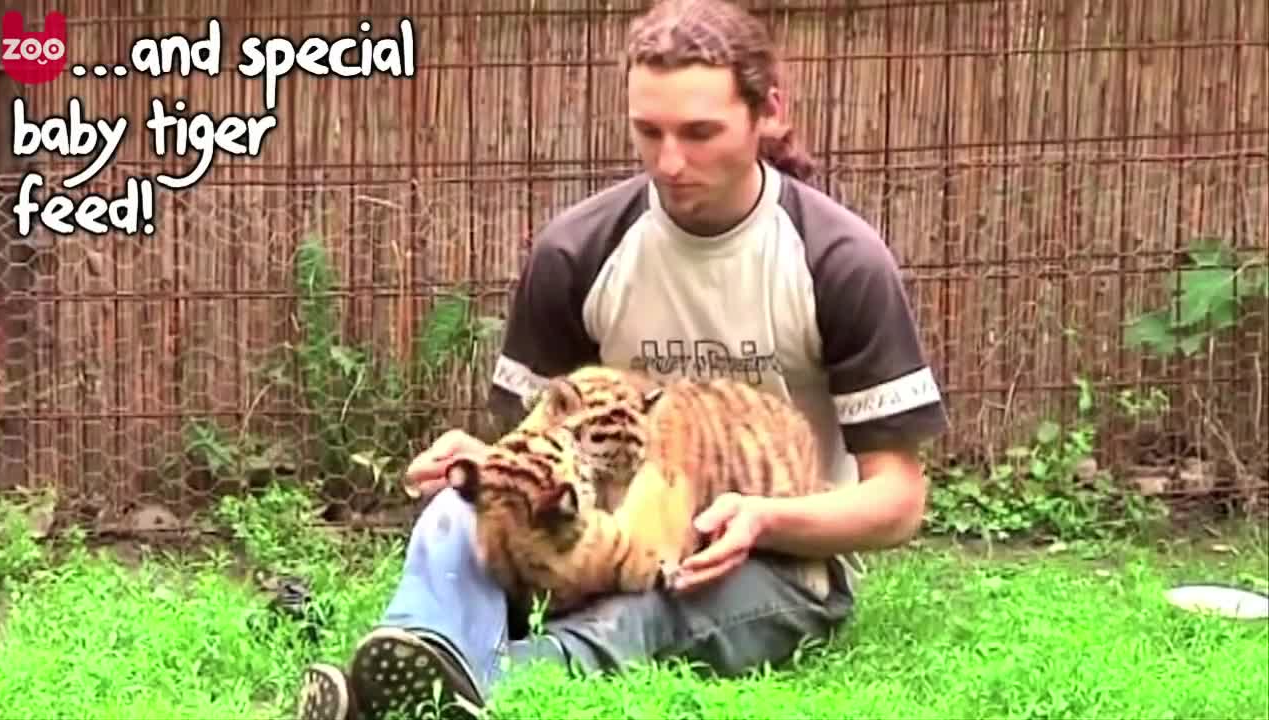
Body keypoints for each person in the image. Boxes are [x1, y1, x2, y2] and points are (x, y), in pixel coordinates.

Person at [295, 1, 948, 718]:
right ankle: (419, 657)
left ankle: (458, 692)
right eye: (650, 132)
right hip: (599, 531)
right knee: (455, 513)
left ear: (769, 113)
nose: (671, 163)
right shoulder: (578, 251)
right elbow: (542, 449)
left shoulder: (836, 261)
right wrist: (486, 461)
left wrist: (763, 517)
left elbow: (897, 501)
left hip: (778, 562)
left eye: (701, 133)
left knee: (647, 616)